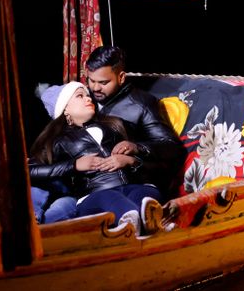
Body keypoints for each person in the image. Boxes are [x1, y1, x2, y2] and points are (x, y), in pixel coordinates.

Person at [28, 81, 165, 235]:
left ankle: (147, 220)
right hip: (95, 194)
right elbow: (29, 170)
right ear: (65, 109)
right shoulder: (57, 140)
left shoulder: (115, 124)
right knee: (112, 199)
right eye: (80, 96)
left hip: (134, 184)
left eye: (88, 95)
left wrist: (133, 159)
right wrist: (74, 165)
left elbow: (158, 152)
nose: (89, 99)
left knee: (144, 195)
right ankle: (136, 224)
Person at [85, 47, 184, 195]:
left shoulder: (141, 104)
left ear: (121, 77)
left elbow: (172, 146)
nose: (95, 88)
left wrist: (137, 147)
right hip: (84, 182)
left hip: (126, 184)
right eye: (91, 80)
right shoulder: (83, 96)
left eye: (103, 82)